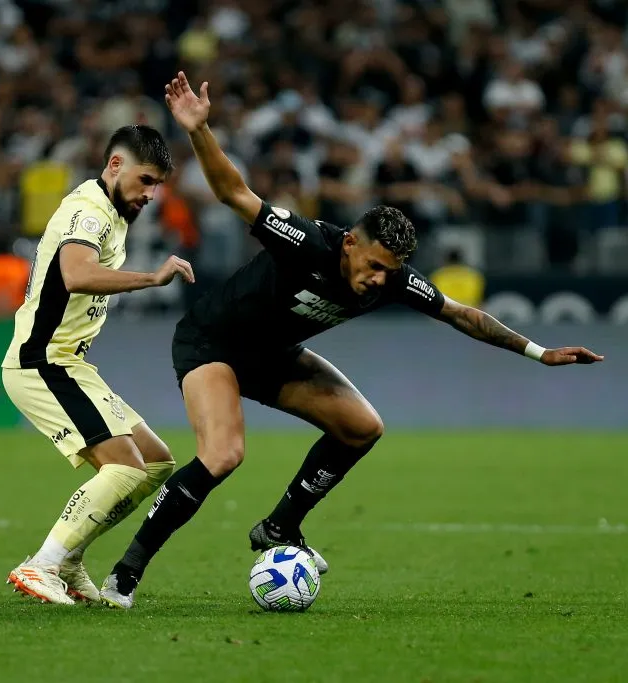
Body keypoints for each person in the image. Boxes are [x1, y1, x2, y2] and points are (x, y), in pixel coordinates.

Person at [98, 73, 604, 609]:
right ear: (349, 244)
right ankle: (124, 575)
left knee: (362, 428)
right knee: (223, 454)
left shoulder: (393, 279)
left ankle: (279, 527)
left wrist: (539, 352)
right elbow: (233, 193)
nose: (381, 280)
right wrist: (199, 130)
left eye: (392, 271)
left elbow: (463, 316)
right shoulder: (309, 242)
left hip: (273, 357)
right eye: (374, 266)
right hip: (212, 343)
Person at [1, 125, 194, 605]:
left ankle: (67, 561)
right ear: (115, 166)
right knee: (126, 469)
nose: (150, 194)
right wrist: (151, 278)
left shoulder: (110, 211)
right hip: (41, 361)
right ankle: (42, 564)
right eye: (145, 180)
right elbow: (76, 273)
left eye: (156, 185)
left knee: (154, 462)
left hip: (67, 363)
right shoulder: (89, 211)